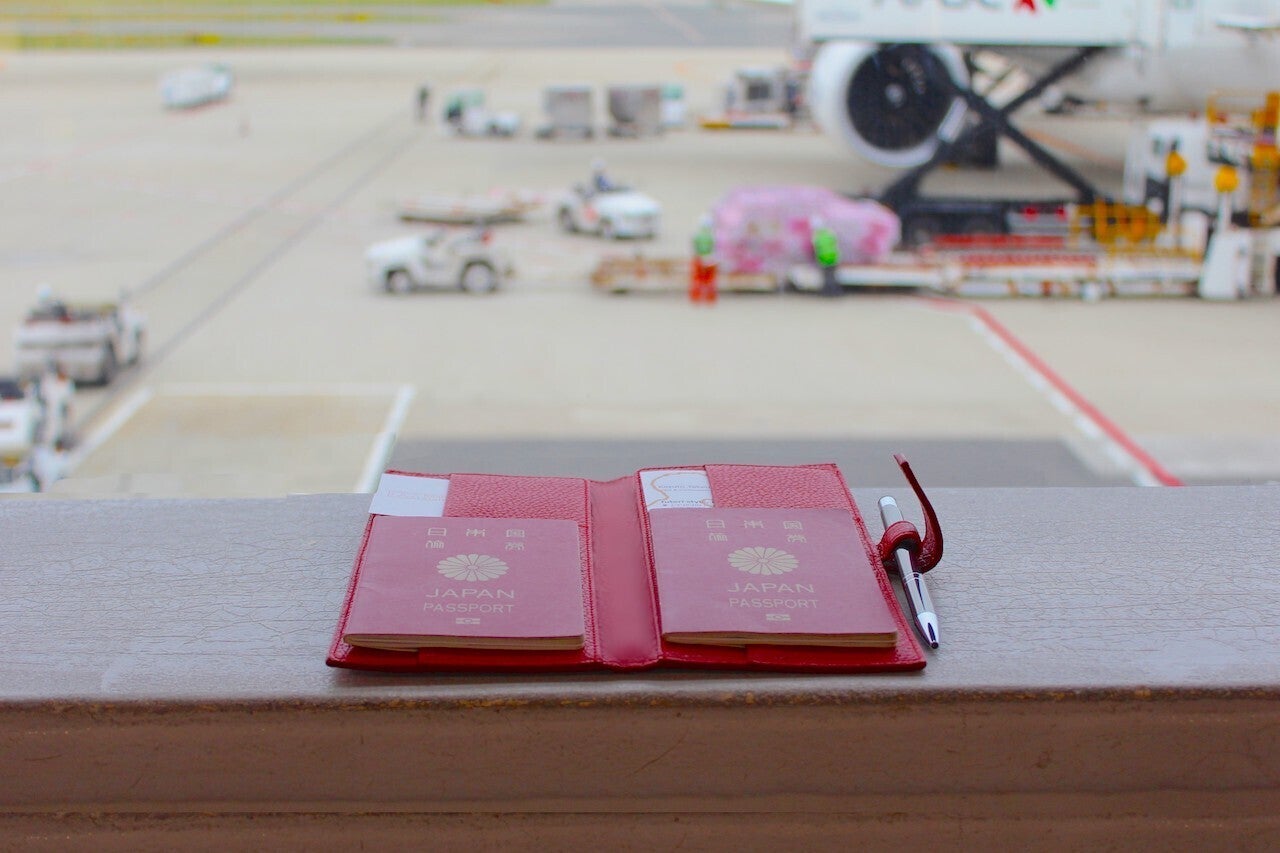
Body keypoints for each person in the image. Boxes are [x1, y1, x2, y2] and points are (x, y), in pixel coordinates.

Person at [810, 216, 842, 298]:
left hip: (823, 258)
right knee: (832, 277)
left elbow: (815, 248)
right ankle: (835, 292)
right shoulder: (830, 233)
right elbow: (836, 244)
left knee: (827, 277)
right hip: (833, 257)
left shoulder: (816, 236)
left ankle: (827, 292)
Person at [689, 215, 718, 305]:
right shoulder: (711, 236)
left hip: (700, 259)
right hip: (708, 259)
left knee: (699, 279)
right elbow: (713, 248)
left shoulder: (698, 235)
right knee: (707, 280)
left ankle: (698, 297)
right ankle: (708, 297)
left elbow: (694, 248)